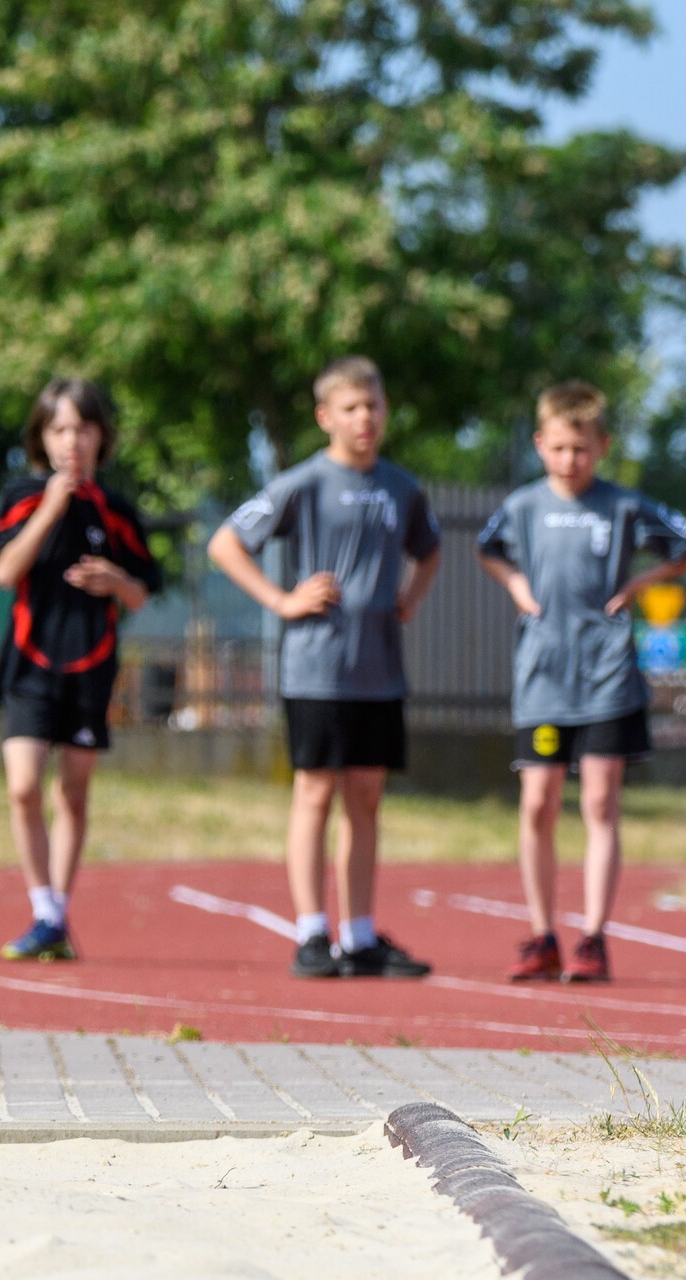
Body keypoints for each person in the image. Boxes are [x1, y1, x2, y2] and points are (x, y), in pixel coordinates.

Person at [207, 357, 441, 979]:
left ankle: (359, 936)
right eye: (351, 408)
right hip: (317, 668)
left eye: (373, 406)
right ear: (325, 416)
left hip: (379, 670)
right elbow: (225, 542)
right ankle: (312, 933)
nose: (365, 418)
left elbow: (430, 549)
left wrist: (411, 598)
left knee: (366, 798)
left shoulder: (401, 488)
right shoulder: (304, 482)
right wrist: (282, 600)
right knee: (315, 792)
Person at [477, 381, 686, 983]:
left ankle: (594, 938)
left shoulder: (623, 505)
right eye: (558, 448)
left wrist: (640, 584)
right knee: (538, 801)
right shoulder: (523, 506)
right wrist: (518, 586)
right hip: (544, 677)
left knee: (601, 801)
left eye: (581, 449)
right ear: (539, 444)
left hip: (606, 674)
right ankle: (542, 934)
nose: (569, 460)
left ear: (602, 446)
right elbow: (487, 548)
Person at [0, 379, 161, 962]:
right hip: (29, 664)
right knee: (22, 787)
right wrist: (51, 508)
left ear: (100, 437)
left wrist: (116, 581)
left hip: (90, 666)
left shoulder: (116, 511)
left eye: (83, 429)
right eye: (59, 429)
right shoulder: (21, 497)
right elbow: (4, 572)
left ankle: (55, 915)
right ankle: (44, 908)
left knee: (74, 790)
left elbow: (142, 593)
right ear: (41, 438)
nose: (72, 441)